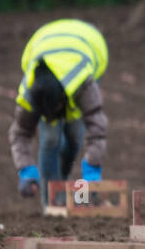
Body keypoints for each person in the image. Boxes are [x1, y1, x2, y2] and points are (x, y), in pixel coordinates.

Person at [10, 19, 109, 201]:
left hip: (89, 44)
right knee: (50, 139)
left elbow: (97, 125)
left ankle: (63, 179)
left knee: (74, 134)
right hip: (43, 40)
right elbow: (20, 133)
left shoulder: (82, 83)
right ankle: (52, 201)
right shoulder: (29, 94)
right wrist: (26, 169)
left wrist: (92, 167)